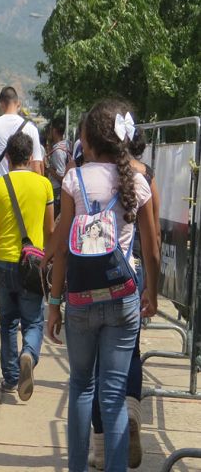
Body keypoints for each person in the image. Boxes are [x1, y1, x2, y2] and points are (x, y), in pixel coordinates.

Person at [46, 99, 159, 472]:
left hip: (80, 299)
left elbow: (61, 248)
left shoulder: (73, 180)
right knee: (113, 396)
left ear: (88, 140)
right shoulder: (138, 182)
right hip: (123, 297)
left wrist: (53, 303)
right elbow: (152, 250)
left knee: (81, 386)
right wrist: (151, 293)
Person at [87, 125, 161, 470]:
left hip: (92, 277)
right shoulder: (145, 175)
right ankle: (131, 409)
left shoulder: (88, 175)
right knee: (130, 350)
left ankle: (100, 450)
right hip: (132, 273)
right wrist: (153, 289)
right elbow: (153, 235)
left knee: (97, 367)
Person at [0, 132, 53, 401]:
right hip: (34, 263)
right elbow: (50, 229)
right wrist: (50, 260)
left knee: (7, 323)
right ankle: (29, 352)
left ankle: (11, 378)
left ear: (7, 157)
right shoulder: (44, 185)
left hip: (4, 262)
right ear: (30, 157)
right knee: (34, 321)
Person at [0, 86, 43, 207]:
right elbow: (37, 169)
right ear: (18, 103)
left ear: (1, 104)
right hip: (25, 193)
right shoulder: (31, 128)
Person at [47, 117, 70, 216]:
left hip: (57, 190)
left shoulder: (58, 151)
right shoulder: (66, 145)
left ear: (54, 131)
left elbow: (62, 177)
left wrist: (48, 168)